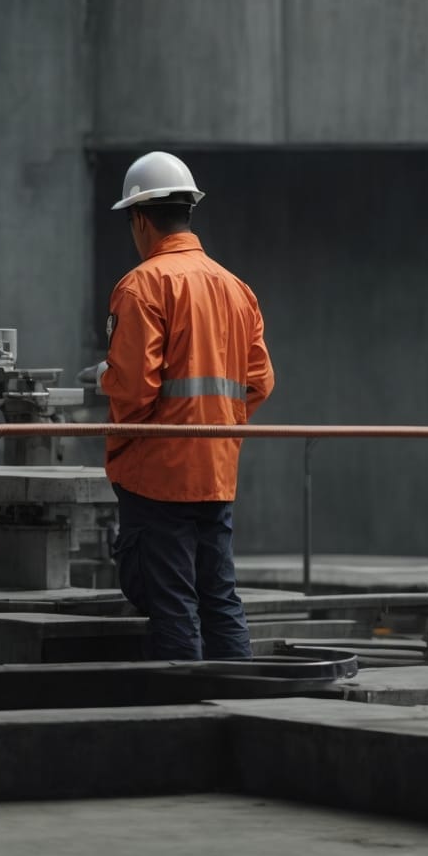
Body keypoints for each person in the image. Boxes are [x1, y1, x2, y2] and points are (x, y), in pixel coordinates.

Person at [98, 152, 274, 661]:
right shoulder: (235, 288)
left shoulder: (143, 286)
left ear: (138, 217)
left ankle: (185, 720)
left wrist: (108, 379)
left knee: (172, 604)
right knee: (219, 599)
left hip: (158, 476)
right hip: (215, 470)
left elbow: (132, 393)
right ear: (187, 210)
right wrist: (215, 426)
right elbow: (259, 382)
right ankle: (242, 713)